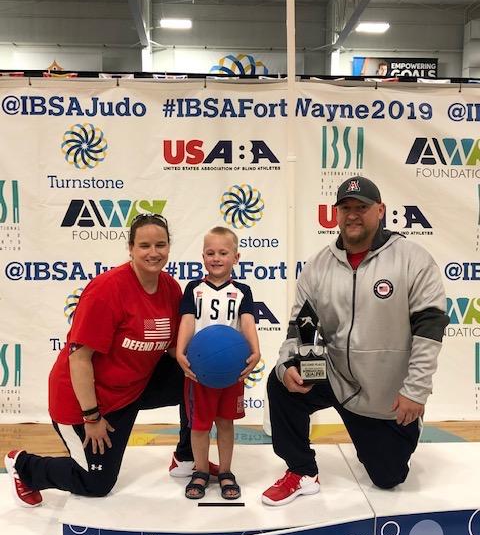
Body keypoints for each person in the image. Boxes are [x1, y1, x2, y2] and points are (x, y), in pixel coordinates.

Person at [4, 213, 217, 508]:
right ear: (130, 248)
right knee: (95, 483)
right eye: (144, 245)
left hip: (133, 388)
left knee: (195, 376)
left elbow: (171, 347)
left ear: (169, 247)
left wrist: (214, 361)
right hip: (86, 400)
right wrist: (91, 418)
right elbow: (79, 359)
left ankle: (186, 456)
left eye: (160, 244)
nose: (153, 253)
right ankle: (24, 466)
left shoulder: (169, 288)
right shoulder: (107, 291)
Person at [262, 176, 449, 506]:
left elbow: (429, 328)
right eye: (345, 207)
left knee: (388, 478)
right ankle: (302, 470)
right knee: (282, 382)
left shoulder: (413, 259)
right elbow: (301, 326)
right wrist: (288, 363)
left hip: (385, 396)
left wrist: (415, 390)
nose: (352, 215)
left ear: (380, 211)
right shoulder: (319, 266)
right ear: (336, 214)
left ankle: (404, 428)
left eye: (361, 207)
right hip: (336, 377)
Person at [176, 227, 260, 500]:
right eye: (210, 253)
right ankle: (200, 470)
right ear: (202, 257)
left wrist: (256, 351)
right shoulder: (194, 289)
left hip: (230, 373)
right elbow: (187, 321)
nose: (216, 258)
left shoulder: (242, 291)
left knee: (225, 422)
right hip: (199, 372)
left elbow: (247, 322)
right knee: (199, 425)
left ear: (235, 257)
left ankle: (225, 471)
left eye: (223, 253)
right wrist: (180, 352)